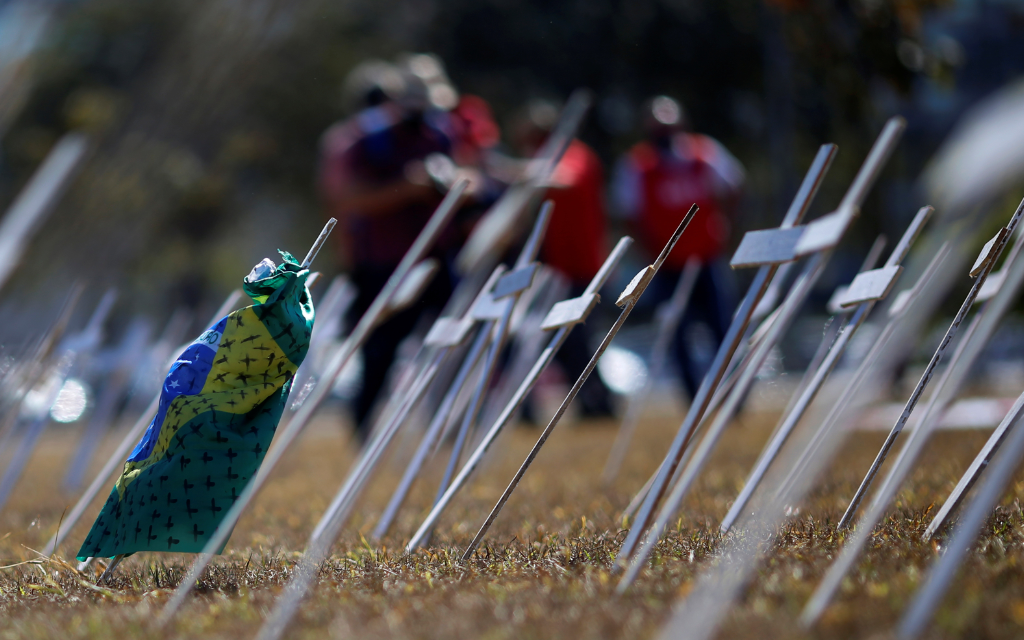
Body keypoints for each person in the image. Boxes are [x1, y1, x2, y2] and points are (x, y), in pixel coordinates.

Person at [318, 60, 459, 439]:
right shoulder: (363, 141)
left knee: (453, 335)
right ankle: (363, 426)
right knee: (380, 349)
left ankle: (447, 421)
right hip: (383, 263)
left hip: (435, 257)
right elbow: (346, 198)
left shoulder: (437, 137)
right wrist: (405, 189)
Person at [611, 95, 744, 398]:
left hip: (707, 258)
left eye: (669, 125)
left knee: (722, 326)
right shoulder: (637, 165)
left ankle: (733, 394)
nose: (665, 133)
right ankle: (693, 397)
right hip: (667, 265)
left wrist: (727, 226)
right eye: (657, 127)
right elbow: (628, 213)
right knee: (675, 331)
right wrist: (648, 252)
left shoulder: (703, 152)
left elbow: (735, 186)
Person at [512, 99, 615, 418]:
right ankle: (589, 405)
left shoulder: (575, 154)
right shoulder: (545, 159)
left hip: (581, 269)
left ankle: (599, 405)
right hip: (556, 270)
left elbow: (564, 178)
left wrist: (515, 171)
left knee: (578, 343)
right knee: (560, 343)